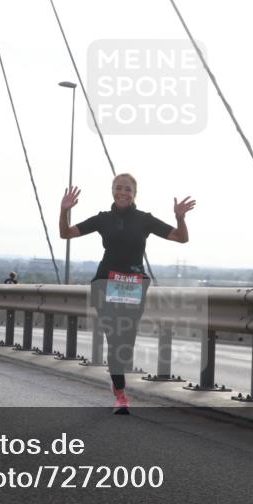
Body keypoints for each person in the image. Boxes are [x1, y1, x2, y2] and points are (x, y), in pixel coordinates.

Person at [59, 174, 195, 414]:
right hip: (105, 282)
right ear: (112, 190)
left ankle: (117, 378)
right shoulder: (103, 219)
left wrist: (180, 218)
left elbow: (181, 238)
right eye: (119, 188)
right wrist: (64, 211)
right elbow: (66, 234)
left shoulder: (144, 220)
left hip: (133, 283)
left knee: (126, 341)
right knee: (114, 339)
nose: (123, 192)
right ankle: (121, 394)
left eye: (128, 189)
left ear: (135, 194)